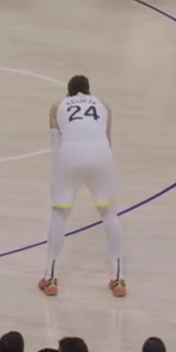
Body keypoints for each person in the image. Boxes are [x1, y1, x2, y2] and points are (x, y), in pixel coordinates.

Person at [40, 75, 125, 298]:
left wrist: (58, 180)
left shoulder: (57, 106)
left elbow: (55, 147)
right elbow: (108, 140)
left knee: (60, 214)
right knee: (109, 213)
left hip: (70, 156)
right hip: (101, 156)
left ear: (68, 92)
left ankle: (50, 277)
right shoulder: (103, 105)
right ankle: (118, 278)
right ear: (89, 91)